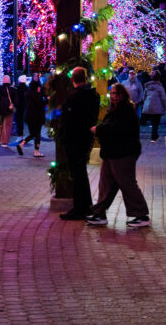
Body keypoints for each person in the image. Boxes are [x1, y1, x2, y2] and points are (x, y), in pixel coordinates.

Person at [85, 83, 150, 228]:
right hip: (112, 152)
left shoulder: (126, 110)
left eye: (117, 94)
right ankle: (100, 213)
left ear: (123, 95)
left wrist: (99, 129)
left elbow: (117, 129)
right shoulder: (115, 110)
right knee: (106, 183)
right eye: (112, 93)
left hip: (123, 153)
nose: (114, 96)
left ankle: (141, 214)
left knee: (127, 183)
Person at [58, 67, 101, 221]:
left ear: (72, 79)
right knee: (81, 173)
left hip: (74, 140)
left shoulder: (74, 97)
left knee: (77, 175)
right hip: (86, 137)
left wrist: (63, 135)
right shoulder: (93, 95)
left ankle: (79, 208)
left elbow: (69, 120)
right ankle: (86, 204)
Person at [16, 76, 47, 157]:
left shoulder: (28, 94)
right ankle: (36, 152)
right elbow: (40, 106)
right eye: (39, 87)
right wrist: (47, 100)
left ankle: (21, 144)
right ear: (36, 87)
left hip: (29, 118)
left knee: (33, 133)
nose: (40, 88)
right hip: (37, 118)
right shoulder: (37, 96)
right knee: (37, 134)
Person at [142, 72, 166, 143]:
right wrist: (165, 107)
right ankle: (154, 136)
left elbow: (144, 97)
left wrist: (145, 104)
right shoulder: (160, 87)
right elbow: (163, 98)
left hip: (148, 106)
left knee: (153, 122)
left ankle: (154, 135)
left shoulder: (147, 86)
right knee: (156, 122)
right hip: (157, 106)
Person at [0, 75, 15, 147]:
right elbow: (16, 100)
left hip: (0, 111)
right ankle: (5, 142)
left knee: (0, 125)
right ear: (9, 81)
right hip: (9, 110)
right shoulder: (12, 90)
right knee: (7, 126)